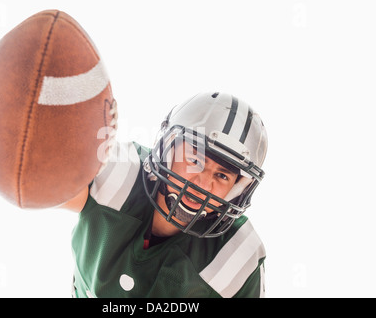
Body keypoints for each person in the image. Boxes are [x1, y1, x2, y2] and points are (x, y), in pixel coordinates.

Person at [61, 91, 268, 298]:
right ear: (168, 149)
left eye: (222, 176)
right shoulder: (120, 174)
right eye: (195, 161)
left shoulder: (237, 255)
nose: (204, 184)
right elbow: (41, 185)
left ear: (237, 190)